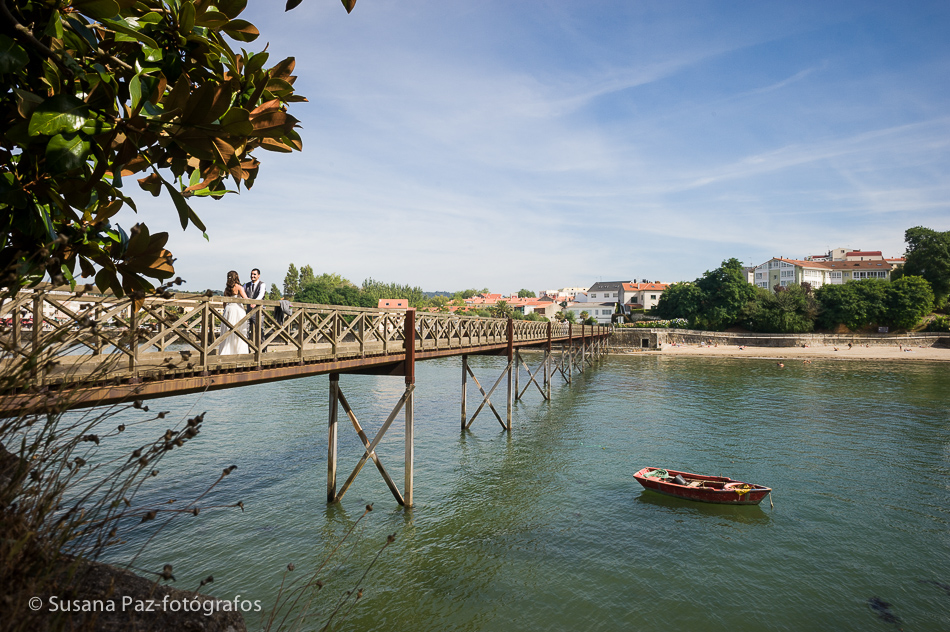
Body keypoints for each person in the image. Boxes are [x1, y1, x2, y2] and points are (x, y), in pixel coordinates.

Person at [220, 270, 249, 355]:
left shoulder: (226, 289)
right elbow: (246, 299)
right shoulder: (239, 287)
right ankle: (239, 352)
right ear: (237, 277)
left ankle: (227, 352)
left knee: (228, 331)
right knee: (240, 332)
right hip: (237, 310)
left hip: (228, 310)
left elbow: (224, 303)